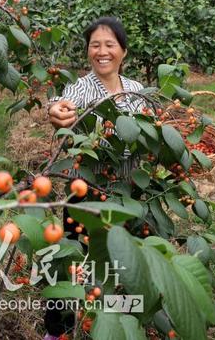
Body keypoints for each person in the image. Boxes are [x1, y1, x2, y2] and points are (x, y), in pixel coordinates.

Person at [43, 17, 146, 340]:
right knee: (71, 260)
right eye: (95, 45)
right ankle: (57, 331)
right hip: (84, 193)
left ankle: (115, 324)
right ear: (88, 51)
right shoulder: (83, 88)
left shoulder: (138, 91)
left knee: (123, 262)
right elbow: (62, 103)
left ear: (123, 52)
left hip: (126, 193)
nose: (102, 52)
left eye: (110, 45)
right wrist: (54, 110)